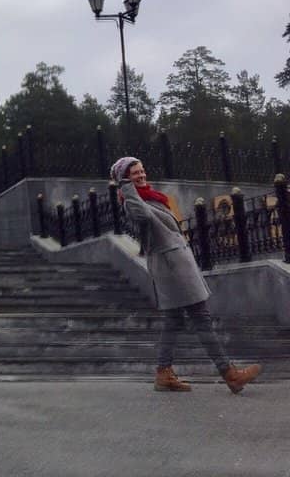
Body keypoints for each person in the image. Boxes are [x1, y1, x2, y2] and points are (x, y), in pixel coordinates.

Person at [112, 156, 262, 394]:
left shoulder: (151, 197)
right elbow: (144, 217)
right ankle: (230, 374)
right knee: (201, 317)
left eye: (142, 171)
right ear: (124, 180)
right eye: (134, 174)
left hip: (174, 264)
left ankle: (164, 373)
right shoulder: (132, 202)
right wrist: (125, 187)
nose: (141, 176)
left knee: (174, 320)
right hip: (171, 267)